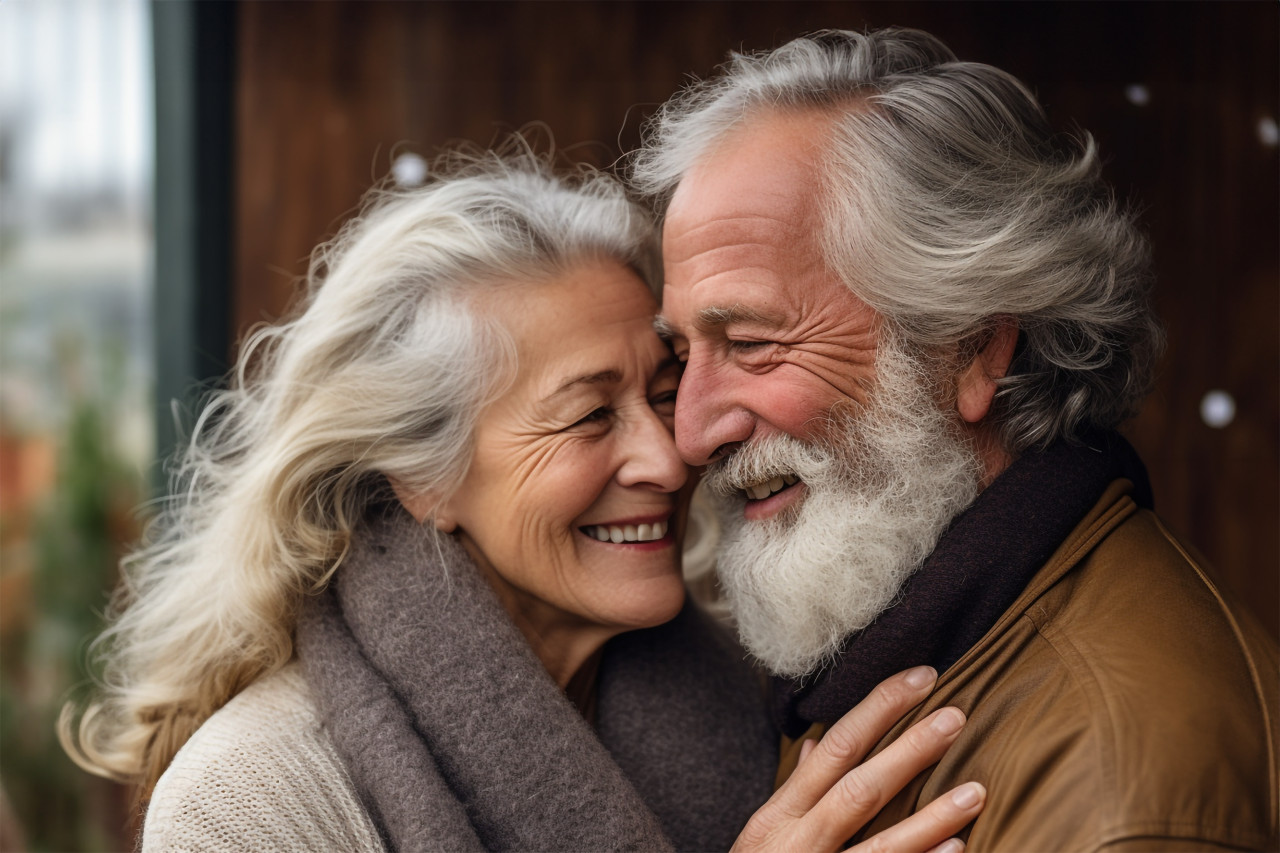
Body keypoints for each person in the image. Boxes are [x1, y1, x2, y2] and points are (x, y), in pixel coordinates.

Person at [61, 147, 987, 851]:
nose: (669, 459)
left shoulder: (750, 698)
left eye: (662, 397)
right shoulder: (256, 800)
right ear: (423, 477)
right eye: (589, 415)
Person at [634, 27, 1280, 852]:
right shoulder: (899, 612)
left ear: (971, 346)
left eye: (754, 343)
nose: (690, 432)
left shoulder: (1125, 796)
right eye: (683, 356)